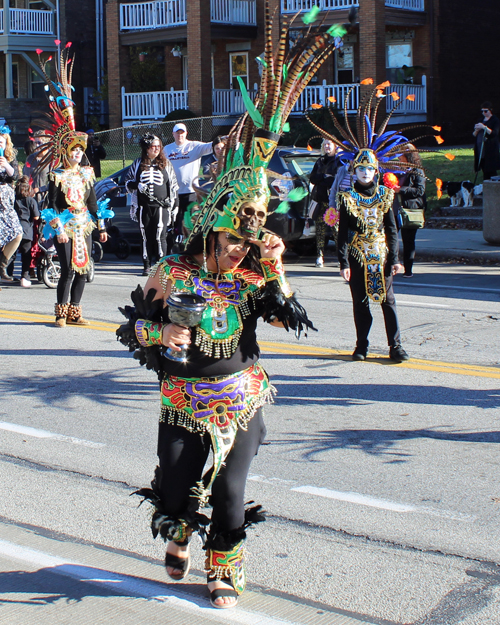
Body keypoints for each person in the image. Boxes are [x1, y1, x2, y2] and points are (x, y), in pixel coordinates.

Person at [117, 15, 343, 610]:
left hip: (240, 397)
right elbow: (131, 329)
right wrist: (160, 328)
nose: (241, 247)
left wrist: (276, 265)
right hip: (181, 400)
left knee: (233, 493)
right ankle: (179, 531)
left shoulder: (251, 276)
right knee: (175, 494)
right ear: (210, 232)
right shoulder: (173, 272)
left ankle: (226, 568)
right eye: (234, 239)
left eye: (250, 238)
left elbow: (284, 314)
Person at [306, 82, 445, 362]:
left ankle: (396, 346)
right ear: (354, 170)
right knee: (360, 302)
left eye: (371, 168)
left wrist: (395, 258)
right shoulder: (346, 198)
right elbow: (343, 232)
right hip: (357, 253)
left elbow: (392, 229)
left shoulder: (386, 195)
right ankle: (362, 346)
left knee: (388, 301)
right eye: (362, 168)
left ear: (377, 170)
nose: (366, 172)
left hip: (381, 253)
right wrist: (343, 263)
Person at [32, 43, 108, 326]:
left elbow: (92, 202)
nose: (77, 153)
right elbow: (50, 204)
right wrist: (59, 229)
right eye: (73, 150)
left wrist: (100, 227)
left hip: (84, 224)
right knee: (67, 269)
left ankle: (76, 311)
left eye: (80, 150)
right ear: (65, 152)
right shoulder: (57, 175)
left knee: (84, 269)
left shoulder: (87, 173)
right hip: (65, 225)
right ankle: (61, 313)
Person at [125, 134, 178, 275]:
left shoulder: (166, 164)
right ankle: (146, 265)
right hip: (144, 207)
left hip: (162, 207)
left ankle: (161, 266)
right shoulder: (137, 163)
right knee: (145, 236)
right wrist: (138, 185)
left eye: (158, 146)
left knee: (161, 236)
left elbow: (173, 186)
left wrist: (174, 207)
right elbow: (127, 182)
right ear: (146, 148)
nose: (156, 149)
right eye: (153, 146)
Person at [163, 123, 213, 235]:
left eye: (182, 132)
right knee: (175, 221)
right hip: (174, 193)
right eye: (177, 133)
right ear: (173, 134)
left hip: (191, 192)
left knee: (189, 221)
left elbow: (212, 146)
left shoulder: (194, 146)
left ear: (186, 133)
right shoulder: (167, 149)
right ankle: (176, 243)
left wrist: (226, 139)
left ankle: (189, 244)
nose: (180, 135)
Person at [393, 149, 426, 278]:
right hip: (395, 208)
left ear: (409, 157)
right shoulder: (397, 170)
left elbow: (419, 190)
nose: (399, 160)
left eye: (401, 158)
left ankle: (408, 269)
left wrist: (400, 189)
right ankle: (393, 264)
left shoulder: (417, 171)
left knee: (408, 240)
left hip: (410, 209)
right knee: (392, 237)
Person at [309, 138, 339, 267]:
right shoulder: (320, 161)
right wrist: (324, 177)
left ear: (335, 146)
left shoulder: (339, 161)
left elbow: (335, 181)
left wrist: (324, 179)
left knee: (336, 230)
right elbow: (312, 178)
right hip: (320, 199)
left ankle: (341, 257)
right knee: (319, 230)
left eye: (329, 144)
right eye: (325, 144)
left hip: (332, 202)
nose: (327, 146)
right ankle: (319, 257)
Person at [0, 126, 22, 282]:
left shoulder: (10, 159)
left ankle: (2, 263)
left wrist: (5, 165)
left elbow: (16, 176)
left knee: (17, 233)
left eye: (1, 142)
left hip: (6, 205)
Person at [13, 176, 39, 287]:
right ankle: (25, 276)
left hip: (13, 229)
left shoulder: (14, 200)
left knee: (11, 254)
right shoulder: (31, 201)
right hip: (26, 230)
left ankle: (8, 274)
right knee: (26, 255)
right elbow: (36, 217)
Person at [473, 102, 500, 181]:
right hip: (480, 147)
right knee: (483, 167)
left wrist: (484, 127)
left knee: (491, 169)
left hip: (490, 148)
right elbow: (474, 135)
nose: (483, 113)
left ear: (490, 110)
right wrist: (476, 130)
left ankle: (493, 185)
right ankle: (486, 184)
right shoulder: (480, 120)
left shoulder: (495, 120)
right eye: (482, 111)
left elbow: (494, 133)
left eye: (485, 111)